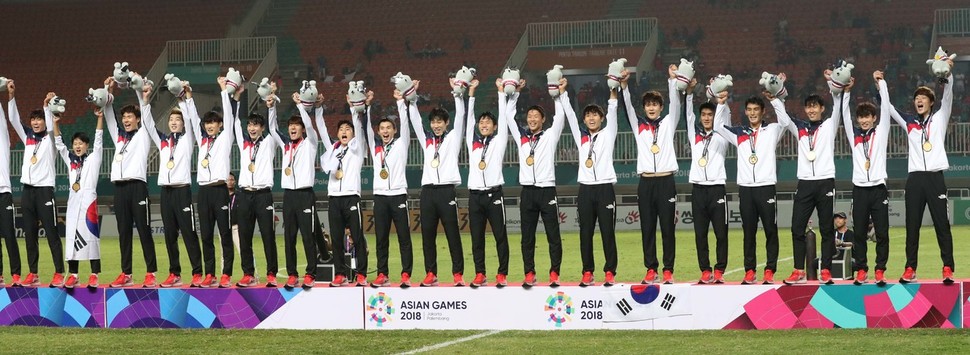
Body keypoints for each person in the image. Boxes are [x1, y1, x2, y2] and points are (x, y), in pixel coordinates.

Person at [885, 58, 955, 284]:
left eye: (923, 98)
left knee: (942, 225)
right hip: (914, 179)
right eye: (916, 99)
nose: (919, 101)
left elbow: (948, 95)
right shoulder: (909, 123)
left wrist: (947, 74)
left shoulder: (940, 117)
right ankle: (910, 268)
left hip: (935, 178)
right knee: (912, 226)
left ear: (931, 102)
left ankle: (947, 268)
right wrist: (882, 85)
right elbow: (889, 108)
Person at [772, 71, 843, 285]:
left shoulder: (829, 125)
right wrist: (776, 94)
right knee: (796, 227)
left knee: (826, 228)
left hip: (825, 181)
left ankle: (827, 270)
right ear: (805, 109)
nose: (811, 110)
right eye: (808, 106)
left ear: (822, 109)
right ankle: (798, 270)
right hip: (804, 182)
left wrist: (833, 84)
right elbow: (783, 119)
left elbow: (838, 104)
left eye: (815, 106)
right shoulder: (800, 128)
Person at [714, 94, 789, 284]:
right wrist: (721, 104)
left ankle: (770, 270)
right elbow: (717, 127)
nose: (753, 113)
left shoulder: (772, 130)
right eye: (750, 110)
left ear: (763, 112)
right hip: (746, 188)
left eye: (756, 109)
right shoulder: (739, 133)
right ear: (746, 112)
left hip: (766, 187)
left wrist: (775, 100)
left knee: (770, 230)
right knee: (749, 232)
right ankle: (750, 270)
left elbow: (785, 121)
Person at [622, 64, 680, 284]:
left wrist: (672, 80)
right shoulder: (639, 125)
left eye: (655, 104)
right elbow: (626, 107)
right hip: (645, 182)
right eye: (648, 104)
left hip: (666, 181)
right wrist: (624, 86)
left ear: (661, 107)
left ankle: (668, 269)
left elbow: (676, 104)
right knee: (647, 228)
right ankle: (651, 268)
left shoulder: (668, 123)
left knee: (667, 228)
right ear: (644, 107)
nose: (651, 107)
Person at [509, 83, 566, 288]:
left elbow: (560, 117)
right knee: (527, 237)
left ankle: (554, 273)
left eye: (536, 116)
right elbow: (508, 117)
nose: (532, 119)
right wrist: (514, 92)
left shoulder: (550, 136)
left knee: (553, 234)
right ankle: (529, 273)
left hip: (546, 189)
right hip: (527, 191)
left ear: (543, 120)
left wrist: (557, 95)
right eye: (530, 116)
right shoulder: (522, 137)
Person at [410, 78, 466, 287]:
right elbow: (415, 121)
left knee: (452, 233)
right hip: (427, 192)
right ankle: (431, 273)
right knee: (427, 235)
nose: (436, 125)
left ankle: (458, 274)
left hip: (446, 191)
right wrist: (412, 98)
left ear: (446, 123)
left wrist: (457, 94)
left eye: (440, 122)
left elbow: (461, 116)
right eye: (433, 122)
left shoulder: (452, 138)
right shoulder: (426, 139)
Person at [147, 79, 203, 288]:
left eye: (177, 120)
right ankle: (174, 273)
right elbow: (148, 124)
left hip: (182, 191)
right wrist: (144, 101)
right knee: (170, 235)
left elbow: (191, 120)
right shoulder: (163, 141)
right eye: (171, 119)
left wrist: (185, 99)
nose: (173, 122)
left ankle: (197, 273)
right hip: (166, 193)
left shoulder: (188, 140)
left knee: (188, 233)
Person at [565, 75, 619, 287]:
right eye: (588, 115)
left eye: (595, 115)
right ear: (585, 119)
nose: (591, 118)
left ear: (602, 118)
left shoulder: (608, 134)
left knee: (607, 233)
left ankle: (610, 272)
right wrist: (562, 93)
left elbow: (613, 110)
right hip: (585, 189)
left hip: (605, 188)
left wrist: (613, 89)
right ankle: (587, 272)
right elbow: (569, 115)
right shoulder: (581, 137)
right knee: (585, 233)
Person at [104, 77, 157, 288]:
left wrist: (142, 96)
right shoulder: (119, 137)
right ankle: (126, 273)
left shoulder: (143, 134)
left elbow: (146, 116)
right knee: (123, 232)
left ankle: (151, 273)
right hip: (120, 188)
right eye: (124, 117)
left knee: (144, 230)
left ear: (137, 119)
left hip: (137, 187)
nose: (126, 120)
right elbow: (109, 116)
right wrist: (108, 91)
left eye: (129, 117)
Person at [9, 85, 64, 287]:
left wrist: (46, 107)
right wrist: (12, 97)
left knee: (51, 233)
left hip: (44, 191)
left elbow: (51, 127)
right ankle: (33, 273)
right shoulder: (28, 137)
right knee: (30, 235)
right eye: (33, 120)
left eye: (39, 119)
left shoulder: (50, 140)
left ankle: (59, 272)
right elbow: (14, 120)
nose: (35, 122)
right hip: (27, 191)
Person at [273, 91, 327, 289]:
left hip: (305, 195)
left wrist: (300, 107)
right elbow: (271, 128)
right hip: (288, 195)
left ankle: (311, 273)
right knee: (289, 237)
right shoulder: (286, 145)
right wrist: (271, 107)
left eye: (296, 125)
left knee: (308, 235)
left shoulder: (310, 144)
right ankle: (292, 274)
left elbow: (311, 127)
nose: (292, 128)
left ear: (303, 129)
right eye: (290, 125)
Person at [843, 71, 890, 285]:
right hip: (860, 189)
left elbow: (887, 108)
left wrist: (881, 84)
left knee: (881, 232)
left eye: (867, 116)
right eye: (860, 117)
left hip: (878, 188)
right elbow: (844, 115)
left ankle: (880, 269)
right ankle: (862, 269)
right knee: (859, 233)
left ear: (874, 118)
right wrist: (846, 92)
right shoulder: (854, 136)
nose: (863, 120)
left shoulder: (880, 133)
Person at [191, 77, 238, 288]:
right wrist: (189, 99)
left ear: (220, 125)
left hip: (220, 190)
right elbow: (193, 119)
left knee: (225, 233)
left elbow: (229, 115)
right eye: (207, 123)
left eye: (213, 123)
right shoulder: (202, 141)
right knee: (207, 235)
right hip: (203, 192)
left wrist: (223, 92)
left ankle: (226, 274)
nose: (210, 126)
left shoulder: (225, 137)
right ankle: (209, 274)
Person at [318, 90, 368, 287]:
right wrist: (319, 109)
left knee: (357, 237)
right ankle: (340, 274)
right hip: (334, 199)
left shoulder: (358, 149)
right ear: (337, 133)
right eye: (341, 129)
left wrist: (354, 108)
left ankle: (362, 274)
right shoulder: (332, 150)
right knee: (337, 239)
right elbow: (321, 129)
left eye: (348, 129)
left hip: (351, 198)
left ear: (353, 134)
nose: (345, 131)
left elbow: (358, 126)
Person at [367, 85, 415, 288]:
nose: (385, 131)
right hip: (380, 196)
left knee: (404, 237)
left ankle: (406, 274)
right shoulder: (375, 146)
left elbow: (405, 123)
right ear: (379, 132)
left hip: (398, 195)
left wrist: (399, 102)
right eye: (382, 129)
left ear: (394, 131)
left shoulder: (401, 144)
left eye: (389, 128)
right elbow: (365, 129)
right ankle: (382, 274)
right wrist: (367, 107)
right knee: (381, 239)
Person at [465, 78, 512, 288]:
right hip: (475, 195)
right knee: (477, 239)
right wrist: (471, 95)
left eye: (488, 123)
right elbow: (468, 121)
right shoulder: (472, 142)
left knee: (500, 236)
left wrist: (501, 93)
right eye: (481, 122)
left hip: (494, 194)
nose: (484, 125)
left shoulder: (498, 140)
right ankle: (480, 273)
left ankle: (502, 274)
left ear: (494, 127)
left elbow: (503, 118)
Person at [53, 101, 103, 288]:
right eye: (75, 144)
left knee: (91, 237)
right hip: (73, 202)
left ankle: (94, 274)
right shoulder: (71, 160)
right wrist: (56, 123)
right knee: (72, 237)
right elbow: (59, 144)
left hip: (89, 202)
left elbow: (99, 140)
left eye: (80, 143)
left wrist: (100, 119)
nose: (77, 146)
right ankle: (73, 274)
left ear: (86, 145)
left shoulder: (93, 158)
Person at [233, 92, 281, 288]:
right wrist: (236, 100)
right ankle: (248, 274)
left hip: (263, 195)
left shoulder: (269, 143)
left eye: (256, 125)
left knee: (268, 235)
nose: (252, 128)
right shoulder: (243, 143)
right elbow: (234, 121)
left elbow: (274, 128)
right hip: (244, 194)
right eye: (250, 125)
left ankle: (271, 274)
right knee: (244, 236)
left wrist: (271, 107)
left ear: (262, 128)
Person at [685, 81, 730, 284]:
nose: (706, 118)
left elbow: (725, 119)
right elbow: (688, 116)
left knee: (721, 233)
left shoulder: (722, 136)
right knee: (700, 234)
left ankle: (719, 269)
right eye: (703, 115)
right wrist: (689, 94)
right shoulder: (694, 135)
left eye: (710, 115)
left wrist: (721, 103)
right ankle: (705, 269)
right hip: (698, 189)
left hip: (717, 188)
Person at [0, 80, 22, 287]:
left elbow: (1, 123)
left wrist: (4, 96)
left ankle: (16, 274)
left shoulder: (3, 143)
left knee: (9, 235)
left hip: (3, 192)